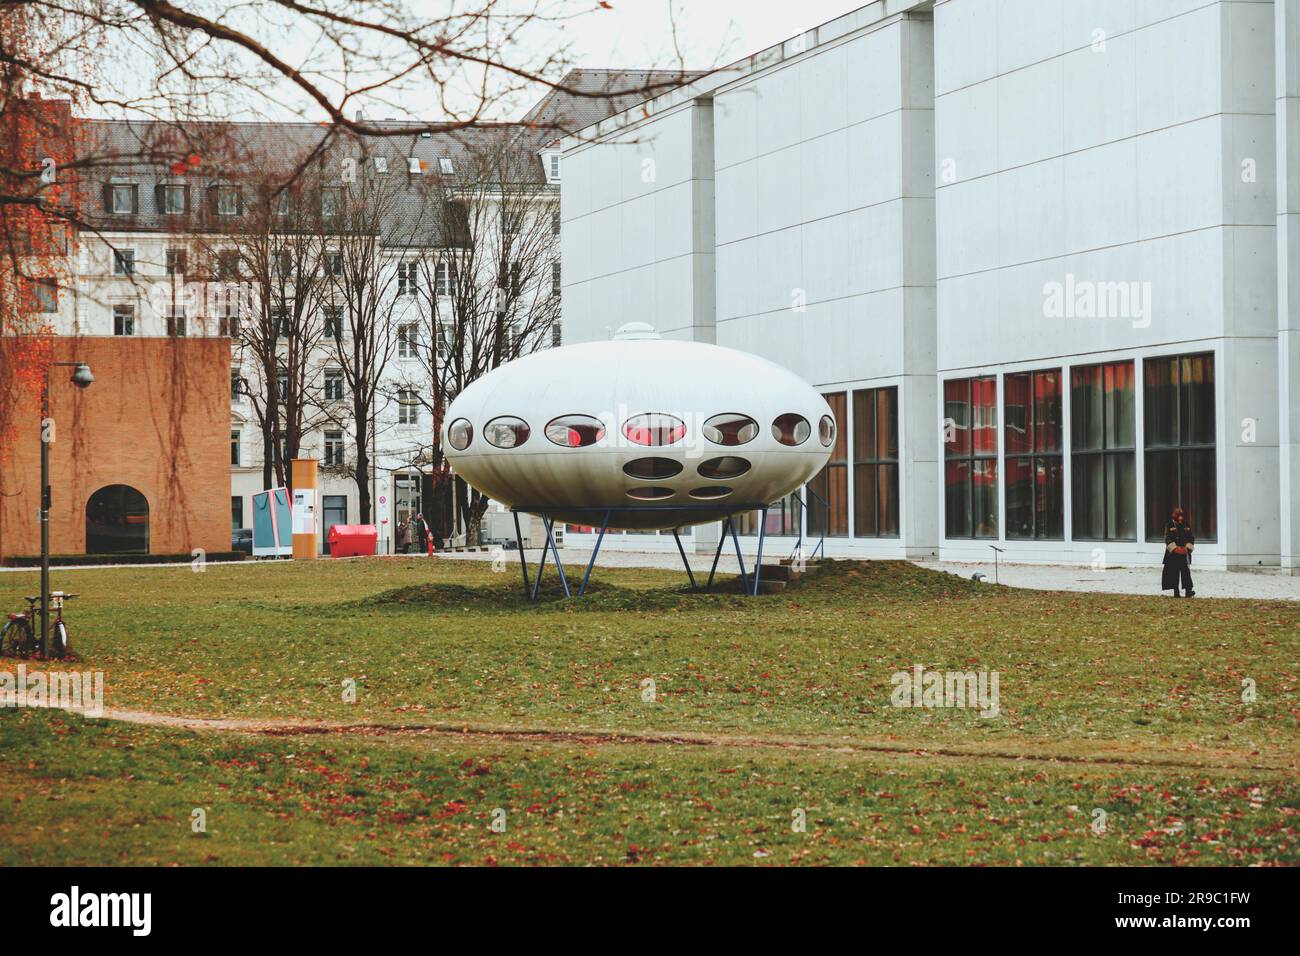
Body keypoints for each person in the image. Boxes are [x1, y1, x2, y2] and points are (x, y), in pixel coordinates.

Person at [1162, 506, 1196, 597]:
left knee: (1186, 572)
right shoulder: (1169, 525)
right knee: (1174, 572)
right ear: (1175, 516)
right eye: (1179, 516)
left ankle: (1188, 591)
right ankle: (1176, 591)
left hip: (1184, 552)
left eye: (1182, 516)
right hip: (1173, 553)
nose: (1181, 518)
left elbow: (1191, 538)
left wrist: (1187, 548)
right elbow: (1167, 538)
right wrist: (1175, 548)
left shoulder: (1186, 525)